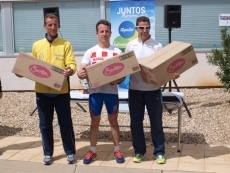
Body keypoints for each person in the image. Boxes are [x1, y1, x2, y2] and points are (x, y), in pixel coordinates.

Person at [16, 14, 77, 165]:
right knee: (44, 124)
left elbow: (72, 63)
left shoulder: (66, 44)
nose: (53, 27)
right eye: (49, 25)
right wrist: (21, 71)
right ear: (45, 26)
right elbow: (32, 68)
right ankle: (48, 153)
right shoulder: (37, 45)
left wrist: (71, 70)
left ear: (59, 26)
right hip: (42, 92)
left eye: (55, 24)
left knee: (65, 123)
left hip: (61, 91)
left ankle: (70, 152)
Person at [125, 16, 180, 164]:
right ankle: (139, 151)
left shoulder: (157, 46)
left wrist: (172, 74)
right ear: (136, 29)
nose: (144, 30)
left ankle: (159, 152)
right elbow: (125, 67)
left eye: (147, 27)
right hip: (135, 90)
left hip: (153, 90)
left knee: (156, 122)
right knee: (136, 122)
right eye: (141, 28)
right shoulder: (130, 46)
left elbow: (164, 68)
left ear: (150, 28)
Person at [77, 20, 125, 164]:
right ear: (97, 33)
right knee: (95, 122)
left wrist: (117, 79)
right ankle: (92, 151)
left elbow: (122, 76)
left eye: (107, 31)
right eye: (101, 31)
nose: (104, 34)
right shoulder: (90, 52)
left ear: (110, 33)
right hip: (95, 92)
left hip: (111, 92)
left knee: (113, 121)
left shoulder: (117, 52)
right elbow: (81, 71)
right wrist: (81, 74)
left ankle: (117, 149)